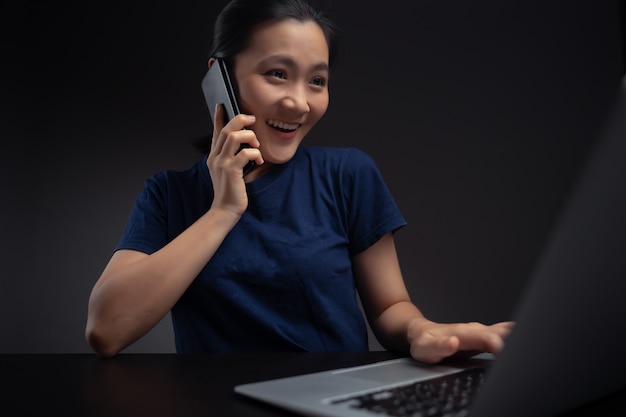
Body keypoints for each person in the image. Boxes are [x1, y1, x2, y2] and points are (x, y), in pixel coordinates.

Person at [85, 0, 513, 361]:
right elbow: (106, 330)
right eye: (277, 74)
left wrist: (421, 330)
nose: (299, 102)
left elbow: (391, 307)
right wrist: (224, 211)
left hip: (331, 401)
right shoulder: (168, 194)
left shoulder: (348, 174)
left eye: (317, 81)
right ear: (221, 78)